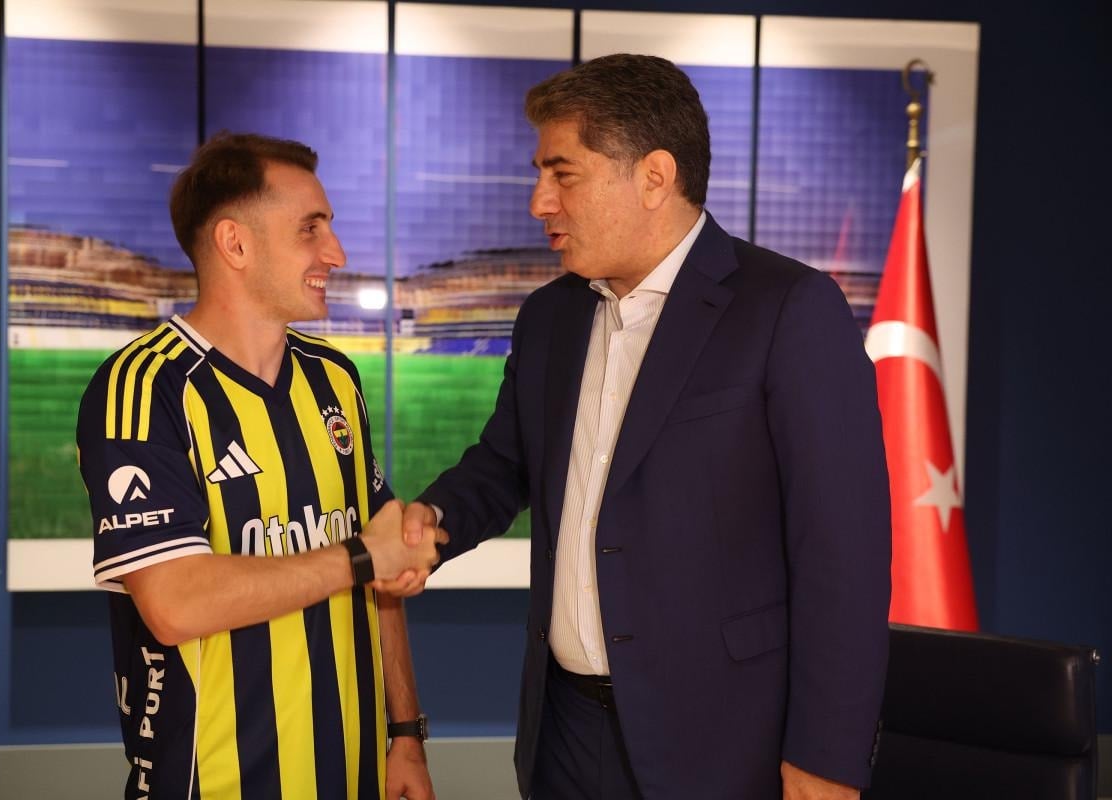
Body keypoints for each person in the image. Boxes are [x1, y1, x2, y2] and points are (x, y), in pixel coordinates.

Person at [403, 54, 891, 799]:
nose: (539, 202)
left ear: (655, 177)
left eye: (562, 174)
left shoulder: (789, 310)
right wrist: (431, 522)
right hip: (564, 734)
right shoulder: (549, 316)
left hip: (726, 747)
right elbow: (506, 465)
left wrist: (826, 757)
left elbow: (844, 554)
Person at [76, 132, 445, 800]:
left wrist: (405, 733)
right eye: (311, 229)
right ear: (235, 244)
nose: (336, 253)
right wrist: (363, 556)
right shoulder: (145, 388)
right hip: (209, 782)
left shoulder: (335, 379)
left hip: (357, 772)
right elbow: (175, 603)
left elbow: (382, 570)